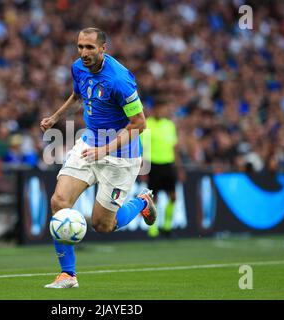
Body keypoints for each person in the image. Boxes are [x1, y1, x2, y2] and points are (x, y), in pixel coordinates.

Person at [40, 27, 157, 289]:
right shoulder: (78, 68)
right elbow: (77, 96)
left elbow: (139, 124)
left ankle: (142, 203)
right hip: (90, 143)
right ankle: (68, 275)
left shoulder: (119, 80)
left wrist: (105, 150)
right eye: (80, 46)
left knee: (102, 225)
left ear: (104, 48)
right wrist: (55, 118)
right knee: (59, 201)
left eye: (90, 47)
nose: (84, 52)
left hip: (121, 155)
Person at [141, 98, 184, 237]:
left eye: (165, 109)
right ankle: (153, 229)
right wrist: (144, 168)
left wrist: (179, 167)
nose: (163, 111)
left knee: (173, 197)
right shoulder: (147, 124)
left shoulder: (170, 125)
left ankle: (167, 226)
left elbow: (174, 147)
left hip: (168, 164)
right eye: (161, 108)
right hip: (154, 165)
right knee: (154, 199)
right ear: (155, 109)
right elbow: (143, 148)